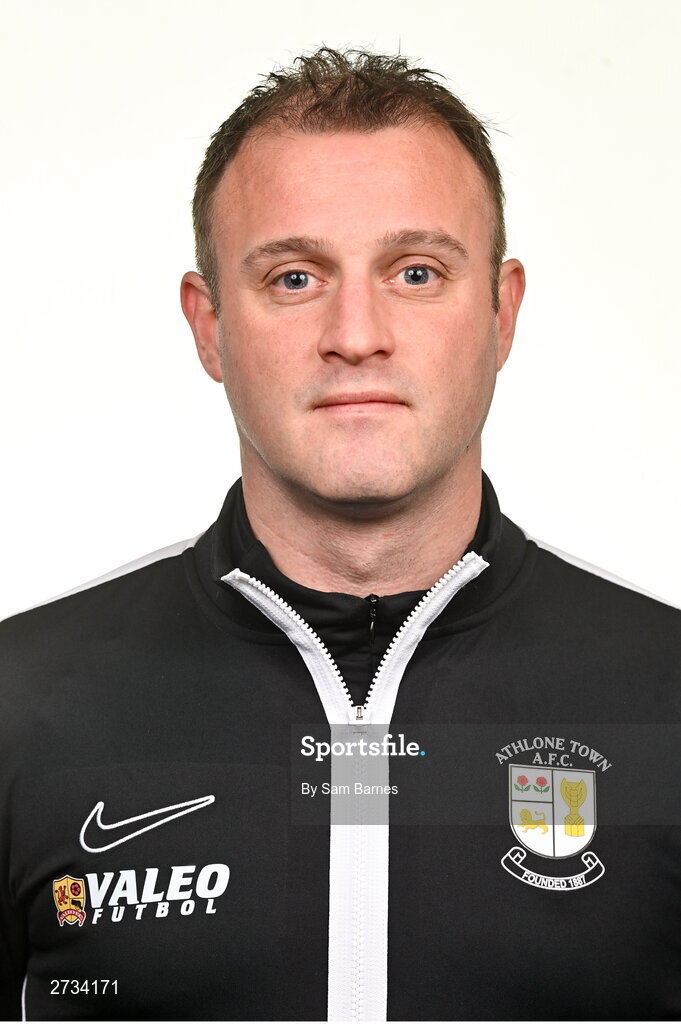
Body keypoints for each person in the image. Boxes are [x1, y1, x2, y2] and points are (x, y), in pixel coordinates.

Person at [1, 46, 680, 1022]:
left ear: (501, 313)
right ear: (209, 325)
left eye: (416, 272)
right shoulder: (21, 704)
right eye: (293, 277)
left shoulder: (666, 690)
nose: (356, 334)